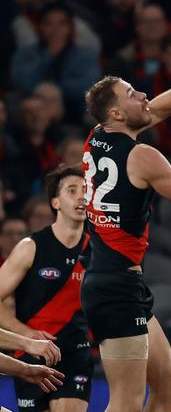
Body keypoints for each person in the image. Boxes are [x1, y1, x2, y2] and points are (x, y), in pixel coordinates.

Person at [80, 48, 171, 412]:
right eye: (131, 93)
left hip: (115, 281)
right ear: (116, 112)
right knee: (127, 401)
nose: (143, 95)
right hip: (116, 287)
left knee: (170, 385)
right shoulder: (142, 156)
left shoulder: (97, 135)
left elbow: (157, 109)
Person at [0, 165, 92, 412]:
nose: (82, 196)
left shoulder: (100, 251)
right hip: (30, 355)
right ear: (56, 202)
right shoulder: (31, 247)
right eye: (72, 191)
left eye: (85, 190)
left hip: (76, 353)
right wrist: (26, 334)